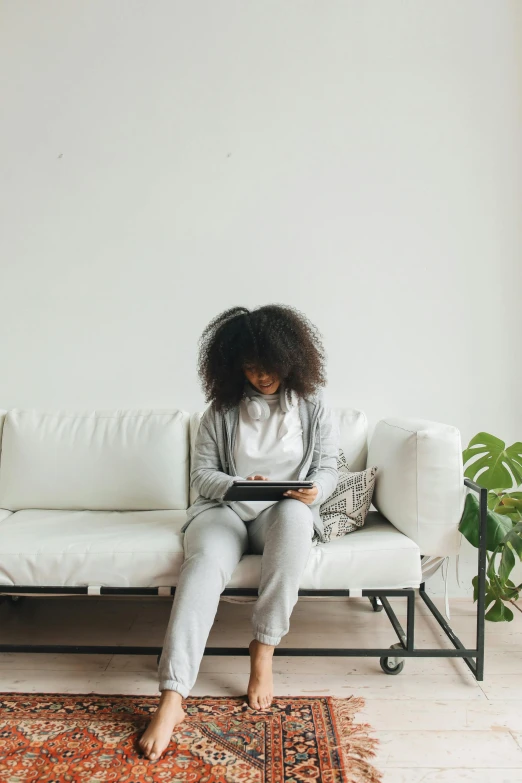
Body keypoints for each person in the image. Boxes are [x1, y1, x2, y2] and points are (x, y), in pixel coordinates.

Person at [139, 303, 340, 761]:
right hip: (224, 511)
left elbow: (328, 466)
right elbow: (202, 475)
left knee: (294, 520)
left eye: (267, 365)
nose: (259, 375)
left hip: (283, 510)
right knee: (204, 566)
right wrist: (236, 485)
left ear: (289, 358)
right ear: (232, 365)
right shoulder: (221, 410)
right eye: (249, 366)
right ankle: (172, 697)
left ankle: (263, 649)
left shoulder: (312, 406)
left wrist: (314, 491)